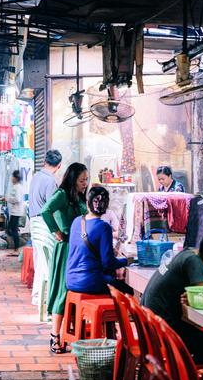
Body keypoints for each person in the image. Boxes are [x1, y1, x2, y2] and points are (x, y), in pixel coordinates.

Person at [141, 229, 203, 366]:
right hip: (164, 329)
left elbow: (201, 291)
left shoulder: (188, 253)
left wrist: (193, 296)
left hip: (152, 322)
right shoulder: (193, 261)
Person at [41, 162, 89, 354]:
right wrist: (56, 231)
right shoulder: (61, 195)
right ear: (72, 179)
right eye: (81, 180)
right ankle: (55, 337)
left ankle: (72, 334)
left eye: (86, 179)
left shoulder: (78, 196)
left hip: (78, 249)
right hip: (66, 248)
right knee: (63, 290)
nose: (85, 183)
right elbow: (45, 210)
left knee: (72, 290)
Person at [66, 187, 132, 295]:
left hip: (70, 280)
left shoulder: (76, 221)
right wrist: (127, 261)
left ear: (88, 204)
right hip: (89, 282)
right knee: (129, 290)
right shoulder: (104, 227)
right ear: (106, 207)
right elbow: (108, 263)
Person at [29, 149, 63, 305]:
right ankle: (44, 297)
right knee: (47, 262)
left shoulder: (36, 176)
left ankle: (38, 295)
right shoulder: (50, 181)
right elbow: (51, 208)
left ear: (45, 161)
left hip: (34, 222)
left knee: (40, 259)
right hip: (44, 224)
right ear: (59, 166)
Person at [6, 170, 24, 256]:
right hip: (15, 211)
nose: (11, 179)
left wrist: (8, 199)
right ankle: (16, 248)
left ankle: (17, 248)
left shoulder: (18, 187)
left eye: (13, 177)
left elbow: (17, 199)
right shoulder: (16, 186)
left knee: (12, 230)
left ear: (16, 178)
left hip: (16, 212)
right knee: (12, 229)